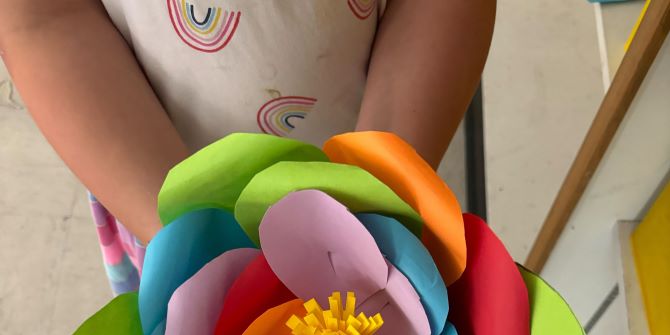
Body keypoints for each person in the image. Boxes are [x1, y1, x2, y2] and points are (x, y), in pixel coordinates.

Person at [0, 0, 495, 293]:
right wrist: (188, 242)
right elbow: (45, 17)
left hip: (387, 145)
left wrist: (376, 193)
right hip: (149, 177)